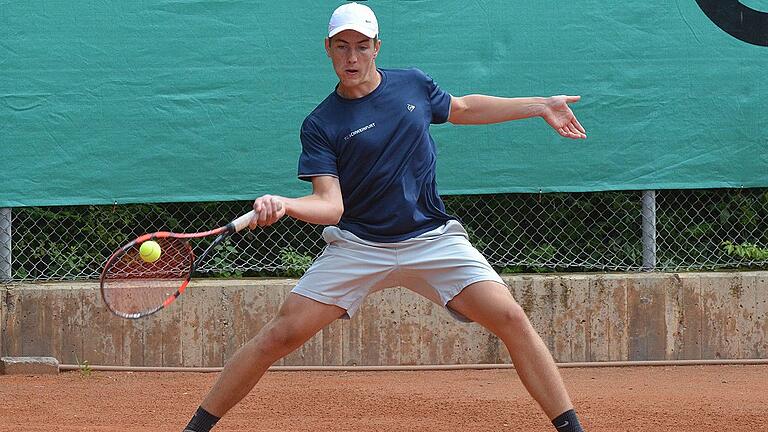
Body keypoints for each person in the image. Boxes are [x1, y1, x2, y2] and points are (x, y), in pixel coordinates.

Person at [183, 2, 587, 432]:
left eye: (361, 46)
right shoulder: (321, 123)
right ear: (328, 49)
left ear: (377, 47)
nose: (351, 58)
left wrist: (541, 105)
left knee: (511, 318)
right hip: (359, 248)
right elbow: (330, 206)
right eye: (342, 47)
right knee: (279, 336)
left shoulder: (411, 84)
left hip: (432, 240)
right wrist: (286, 204)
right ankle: (196, 428)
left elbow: (464, 108)